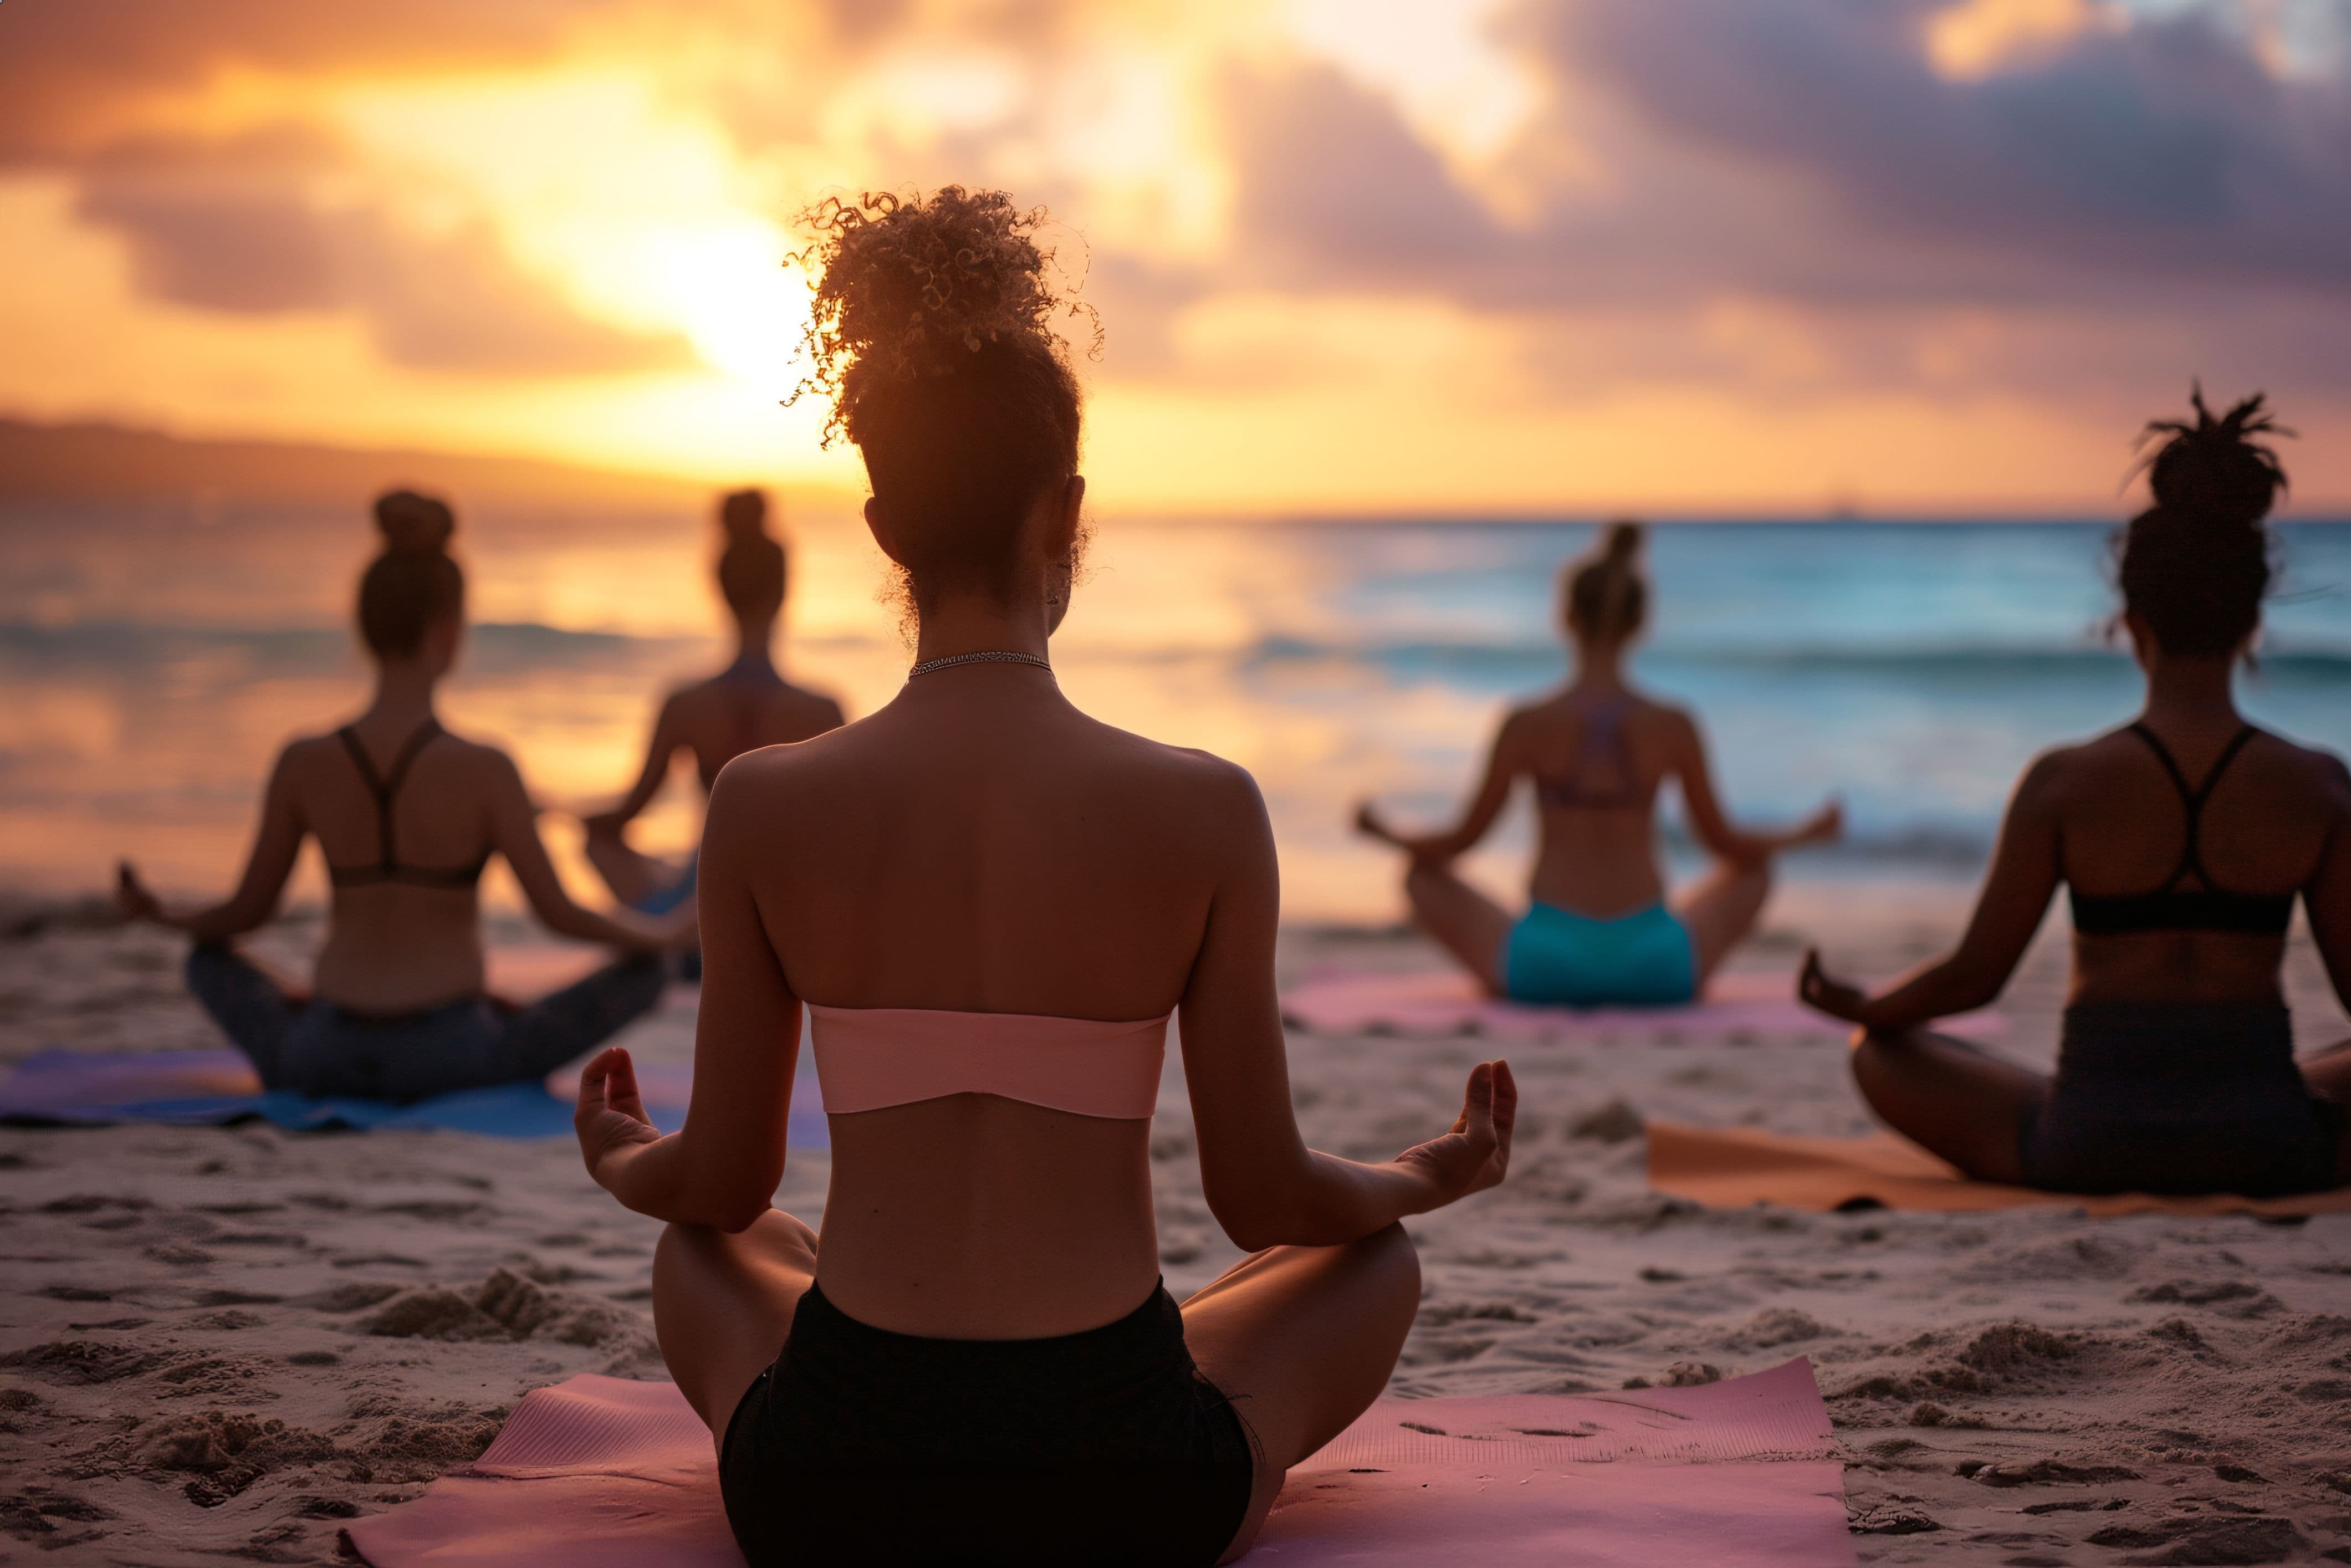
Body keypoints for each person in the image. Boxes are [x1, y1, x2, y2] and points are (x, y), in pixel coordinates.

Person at [570, 186, 1517, 1568]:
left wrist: (621, 1159)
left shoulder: (763, 805)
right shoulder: (1204, 808)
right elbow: (1264, 1204)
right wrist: (1424, 1174)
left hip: (833, 1487)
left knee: (707, 1245)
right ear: (1062, 514)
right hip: (1120, 1484)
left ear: (887, 527)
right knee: (1369, 1259)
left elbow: (722, 1179)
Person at [1800, 389, 2351, 1196]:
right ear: (2251, 625)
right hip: (2271, 1146)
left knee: (1877, 1054)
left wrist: (1866, 1007)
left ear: (2131, 621)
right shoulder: (2315, 785)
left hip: (2086, 1145)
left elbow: (1973, 978)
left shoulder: (2064, 783)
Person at [116, 491, 692, 1104]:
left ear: (366, 627)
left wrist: (167, 917)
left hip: (318, 1054)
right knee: (643, 973)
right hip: (458, 1057)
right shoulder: (486, 767)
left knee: (205, 962)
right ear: (447, 632)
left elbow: (244, 914)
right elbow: (559, 915)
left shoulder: (303, 760)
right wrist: (668, 937)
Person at [1355, 522, 1841, 1007]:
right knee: (1756, 874)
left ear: (1566, 617)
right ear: (1640, 622)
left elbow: (1456, 844)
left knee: (1419, 876)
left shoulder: (1526, 722)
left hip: (1542, 964)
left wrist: (1387, 834)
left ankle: (1520, 972)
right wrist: (1803, 834)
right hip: (1656, 964)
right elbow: (1728, 845)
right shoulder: (1672, 724)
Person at [580, 489, 845, 916]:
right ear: (784, 590)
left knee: (597, 842)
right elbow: (841, 834)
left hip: (701, 904)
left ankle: (666, 943)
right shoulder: (822, 711)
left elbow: (625, 815)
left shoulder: (685, 706)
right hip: (788, 908)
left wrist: (573, 816)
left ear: (719, 590)